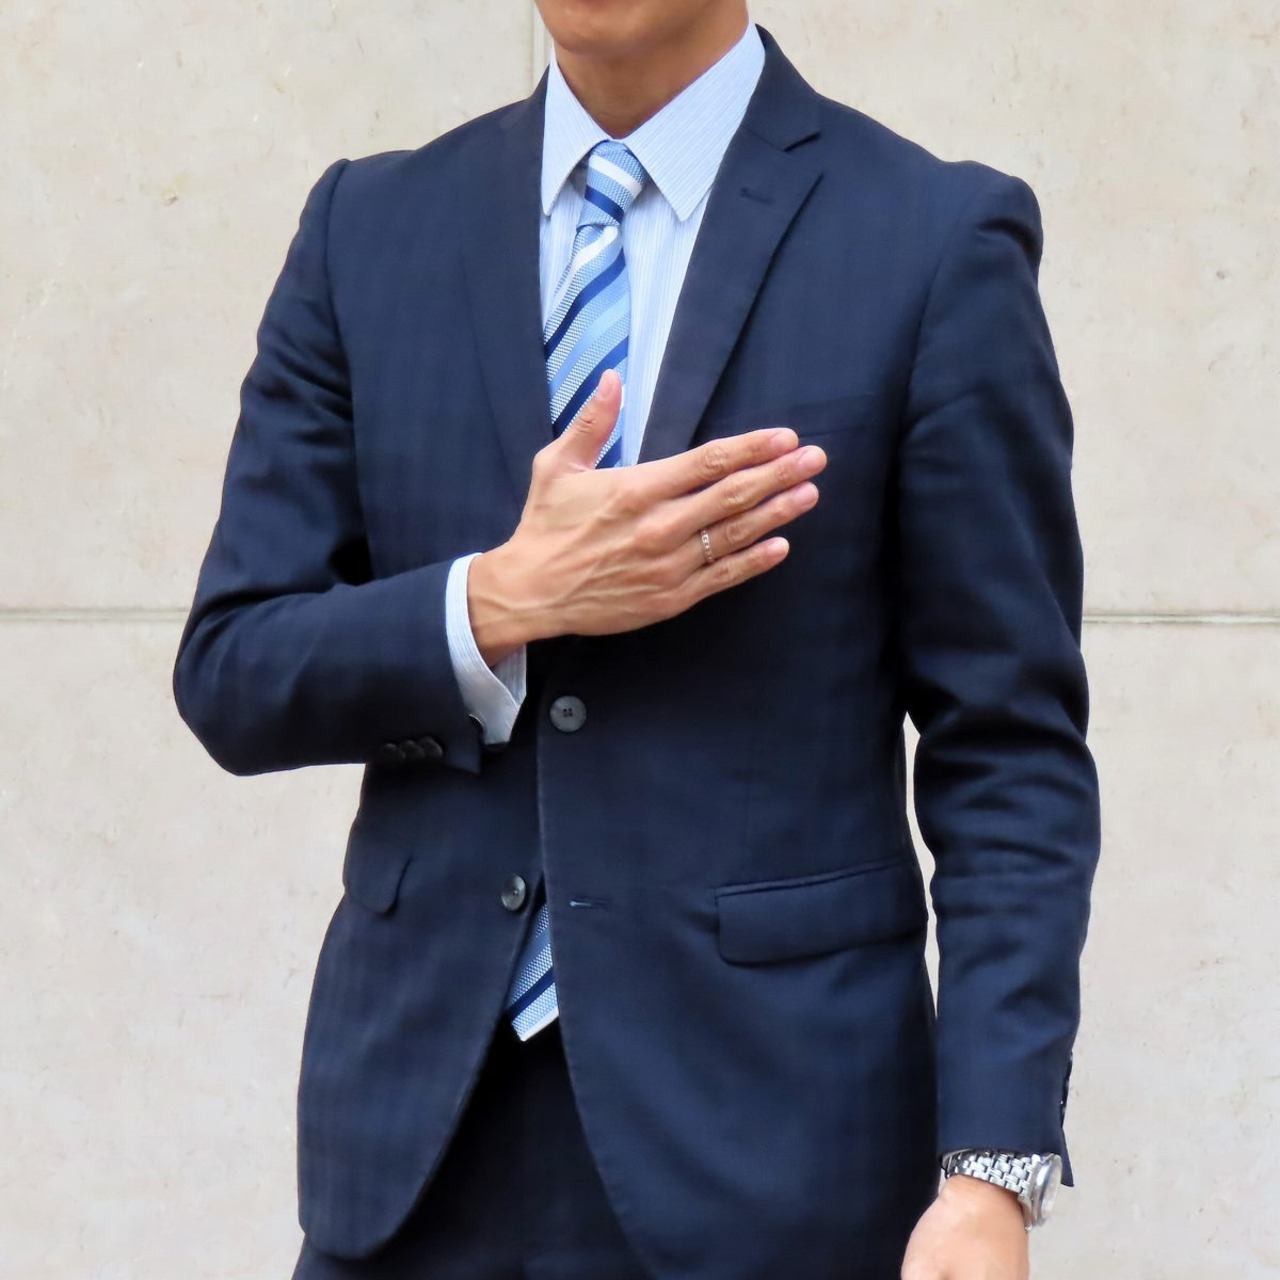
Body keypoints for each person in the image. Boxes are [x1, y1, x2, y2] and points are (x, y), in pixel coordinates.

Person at [174, 2, 1101, 1277]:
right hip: (413, 1153)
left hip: (775, 1157)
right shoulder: (368, 227)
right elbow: (234, 666)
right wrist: (497, 599)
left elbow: (1006, 749)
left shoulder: (930, 239)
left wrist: (989, 1168)